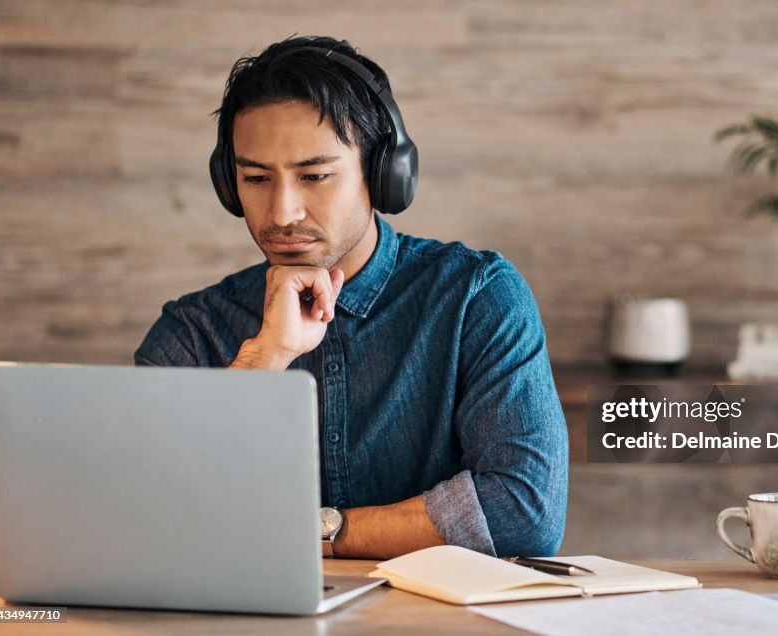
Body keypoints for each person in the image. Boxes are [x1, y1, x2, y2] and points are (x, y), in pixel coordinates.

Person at [134, 35, 568, 559]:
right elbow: (148, 514)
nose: (282, 213)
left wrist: (319, 531)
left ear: (385, 174)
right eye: (256, 178)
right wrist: (264, 358)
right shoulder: (191, 331)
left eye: (315, 175)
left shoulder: (476, 297)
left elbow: (525, 512)